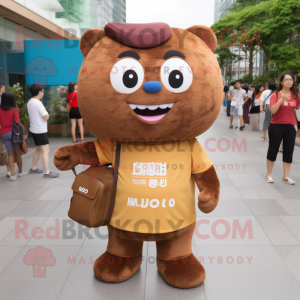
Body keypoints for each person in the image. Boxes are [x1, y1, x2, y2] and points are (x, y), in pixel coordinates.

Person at [266, 72, 300, 184]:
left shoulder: (296, 96)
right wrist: (281, 100)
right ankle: (269, 175)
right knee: (273, 150)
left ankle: (285, 177)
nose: (289, 81)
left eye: (291, 79)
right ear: (281, 82)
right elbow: (272, 111)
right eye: (287, 79)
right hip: (276, 125)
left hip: (290, 126)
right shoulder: (275, 95)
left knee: (288, 151)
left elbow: (297, 107)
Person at [27, 83, 59, 178]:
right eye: (42, 91)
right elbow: (46, 117)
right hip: (40, 130)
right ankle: (47, 172)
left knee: (38, 149)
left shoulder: (30, 102)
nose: (43, 92)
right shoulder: (38, 103)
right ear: (39, 92)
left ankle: (33, 168)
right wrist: (48, 114)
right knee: (46, 150)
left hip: (34, 129)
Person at [0, 92, 26, 180]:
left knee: (10, 153)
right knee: (18, 153)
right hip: (14, 133)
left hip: (3, 133)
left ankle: (12, 174)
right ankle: (21, 172)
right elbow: (17, 123)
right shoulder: (14, 109)